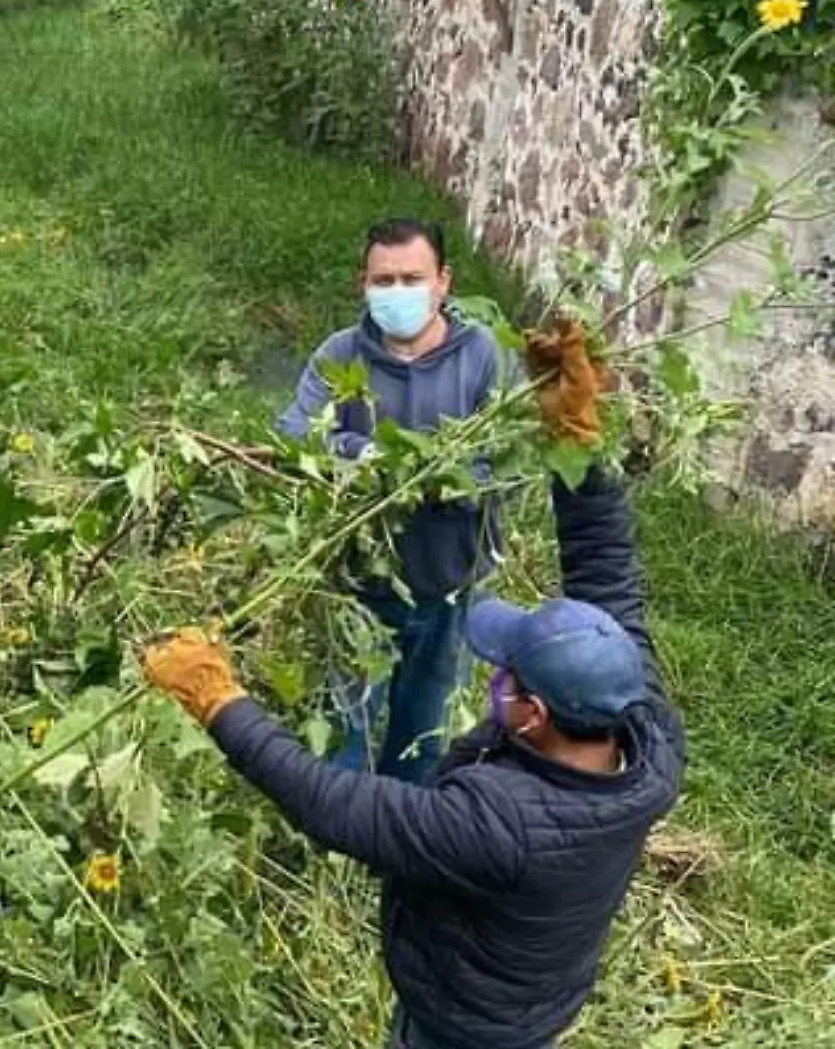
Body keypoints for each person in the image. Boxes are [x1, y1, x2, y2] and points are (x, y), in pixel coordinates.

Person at [143, 315, 685, 1049]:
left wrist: (218, 700)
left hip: (465, 1020)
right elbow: (605, 570)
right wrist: (577, 440)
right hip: (529, 988)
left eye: (507, 676)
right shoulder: (643, 722)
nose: (493, 677)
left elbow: (335, 806)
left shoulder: (501, 825)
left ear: (530, 714)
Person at [276, 218, 505, 783]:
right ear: (364, 284)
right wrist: (379, 458)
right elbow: (296, 434)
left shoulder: (480, 355)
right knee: (344, 730)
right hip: (360, 585)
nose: (397, 292)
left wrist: (437, 476)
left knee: (423, 735)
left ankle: (404, 846)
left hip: (451, 582)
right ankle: (339, 841)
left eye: (412, 278)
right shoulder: (340, 355)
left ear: (443, 282)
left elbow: (502, 454)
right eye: (384, 280)